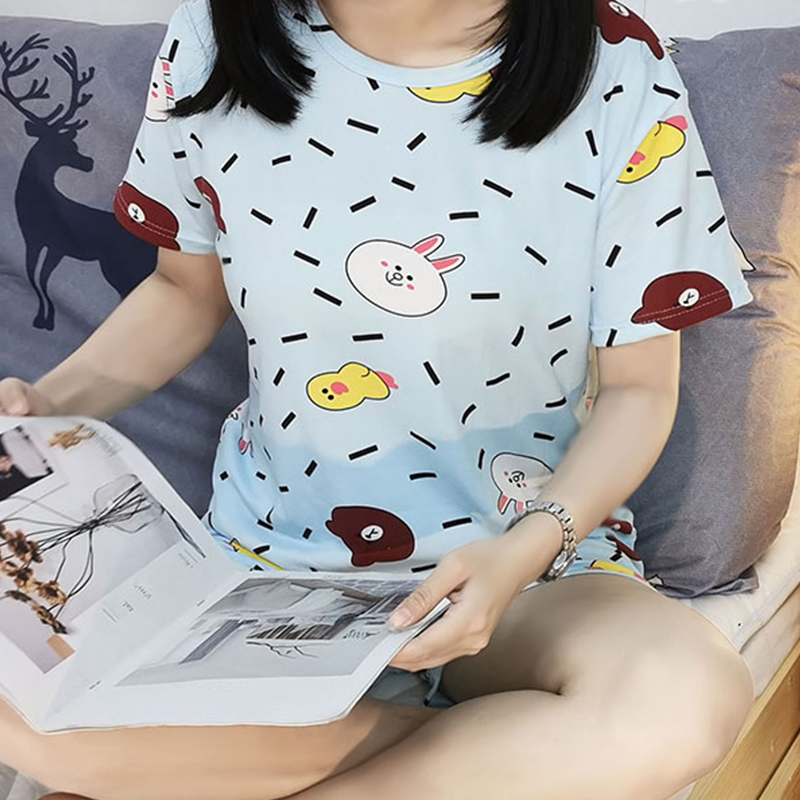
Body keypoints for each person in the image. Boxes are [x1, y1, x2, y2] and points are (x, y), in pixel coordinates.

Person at [0, 0, 756, 798]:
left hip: (531, 566)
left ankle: (312, 756)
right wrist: (41, 408)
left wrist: (528, 548)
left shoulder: (614, 57)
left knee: (685, 699)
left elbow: (639, 389)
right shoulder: (212, 37)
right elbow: (183, 292)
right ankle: (469, 743)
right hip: (267, 579)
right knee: (33, 729)